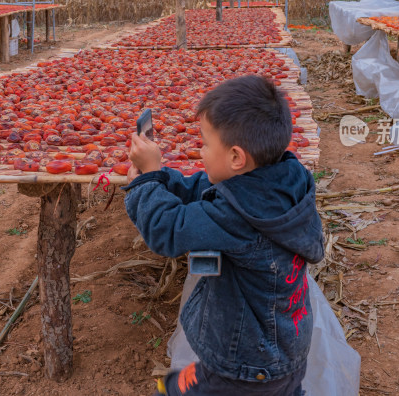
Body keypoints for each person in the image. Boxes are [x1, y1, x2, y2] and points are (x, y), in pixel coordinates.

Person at [123, 75, 325, 396]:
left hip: (244, 369)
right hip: (285, 352)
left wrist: (146, 182)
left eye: (204, 143)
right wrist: (160, 176)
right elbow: (207, 189)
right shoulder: (282, 180)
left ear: (236, 158)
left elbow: (166, 230)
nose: (200, 151)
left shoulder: (238, 217)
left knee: (174, 390)